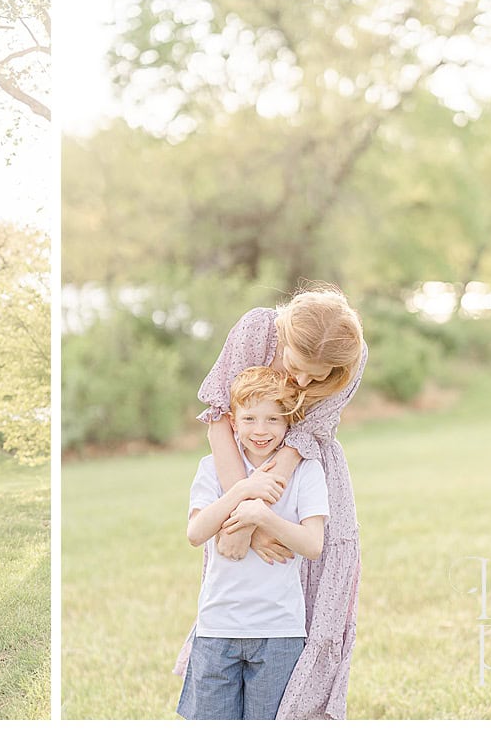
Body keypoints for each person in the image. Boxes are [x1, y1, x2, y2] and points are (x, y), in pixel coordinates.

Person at [175, 285, 366, 720]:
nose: (303, 382)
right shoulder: (256, 328)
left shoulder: (351, 354)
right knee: (243, 578)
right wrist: (246, 521)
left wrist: (264, 517)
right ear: (283, 336)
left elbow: (305, 437)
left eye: (318, 378)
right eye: (297, 368)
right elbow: (220, 420)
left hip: (305, 466)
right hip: (237, 468)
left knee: (313, 598)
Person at [177, 366, 329, 720]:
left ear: (289, 422)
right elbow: (196, 533)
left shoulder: (306, 470)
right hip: (218, 627)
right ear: (232, 422)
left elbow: (312, 544)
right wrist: (243, 490)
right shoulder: (212, 468)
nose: (260, 430)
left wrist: (264, 518)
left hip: (279, 630)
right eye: (249, 418)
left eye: (273, 419)